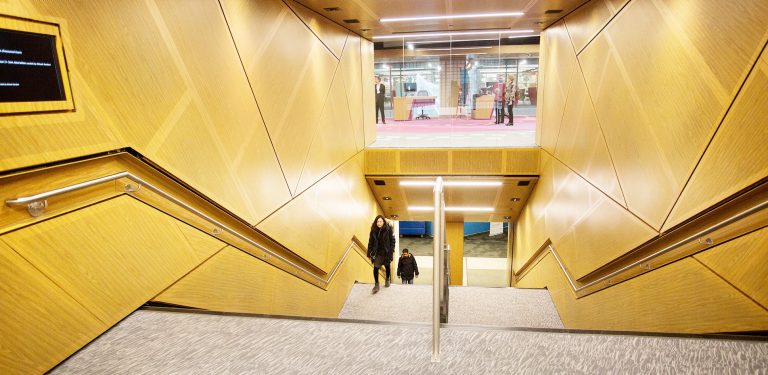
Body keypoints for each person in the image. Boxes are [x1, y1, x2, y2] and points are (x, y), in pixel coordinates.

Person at [367, 215, 395, 294]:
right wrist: (369, 253)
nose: (379, 223)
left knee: (387, 267)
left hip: (386, 252)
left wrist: (391, 250)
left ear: (383, 222)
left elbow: (393, 241)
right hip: (378, 253)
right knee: (376, 268)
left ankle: (387, 279)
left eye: (380, 221)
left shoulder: (388, 230)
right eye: (377, 221)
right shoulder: (373, 231)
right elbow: (370, 243)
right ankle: (376, 284)